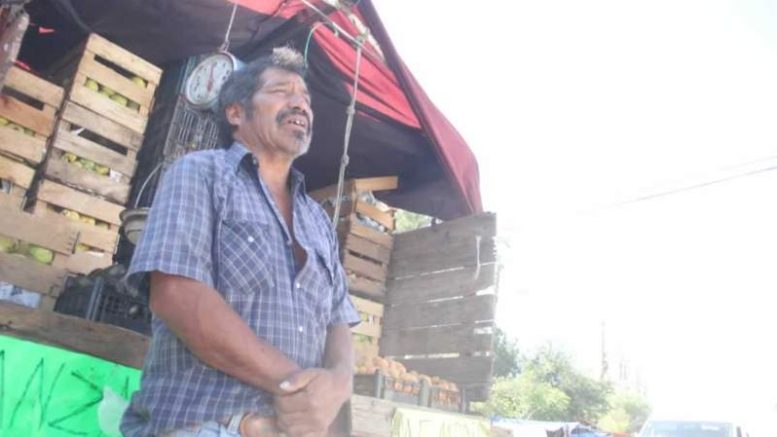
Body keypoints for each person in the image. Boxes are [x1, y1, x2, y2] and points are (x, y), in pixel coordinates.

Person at [121, 47, 360, 437]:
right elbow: (177, 295)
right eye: (281, 91)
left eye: (305, 98)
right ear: (236, 112)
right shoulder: (201, 174)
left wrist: (338, 383)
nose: (300, 103)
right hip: (204, 425)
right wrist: (297, 387)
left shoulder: (318, 219)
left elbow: (339, 321)